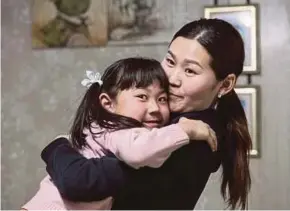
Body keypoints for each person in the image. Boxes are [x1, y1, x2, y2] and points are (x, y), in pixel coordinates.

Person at [39, 18, 252, 210]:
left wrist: (57, 147)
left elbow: (78, 181)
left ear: (225, 85)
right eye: (170, 61)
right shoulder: (170, 123)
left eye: (190, 71)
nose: (172, 78)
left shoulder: (194, 137)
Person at [21, 57, 217, 210]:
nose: (155, 107)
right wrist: (185, 129)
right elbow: (140, 151)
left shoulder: (100, 128)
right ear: (108, 103)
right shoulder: (116, 130)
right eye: (142, 96)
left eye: (162, 99)